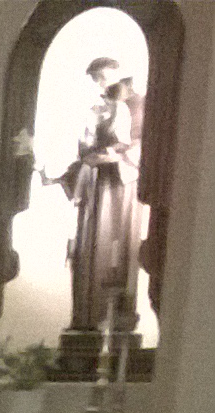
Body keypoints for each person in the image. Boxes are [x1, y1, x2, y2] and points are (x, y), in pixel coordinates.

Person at [62, 56, 145, 336]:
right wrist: (83, 160)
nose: (100, 83)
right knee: (88, 245)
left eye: (103, 76)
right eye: (96, 78)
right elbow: (86, 143)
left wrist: (116, 155)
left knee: (115, 247)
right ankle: (86, 316)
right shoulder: (100, 105)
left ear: (118, 73)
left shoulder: (139, 104)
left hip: (122, 184)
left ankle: (115, 319)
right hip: (97, 182)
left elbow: (142, 144)